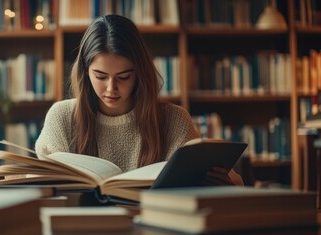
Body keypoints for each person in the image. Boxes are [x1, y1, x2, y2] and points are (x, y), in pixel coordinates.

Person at [35, 14, 243, 186]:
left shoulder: (174, 120)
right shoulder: (62, 117)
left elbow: (228, 181)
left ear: (140, 73)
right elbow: (45, 186)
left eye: (124, 77)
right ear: (85, 72)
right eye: (100, 76)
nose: (111, 88)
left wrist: (226, 183)